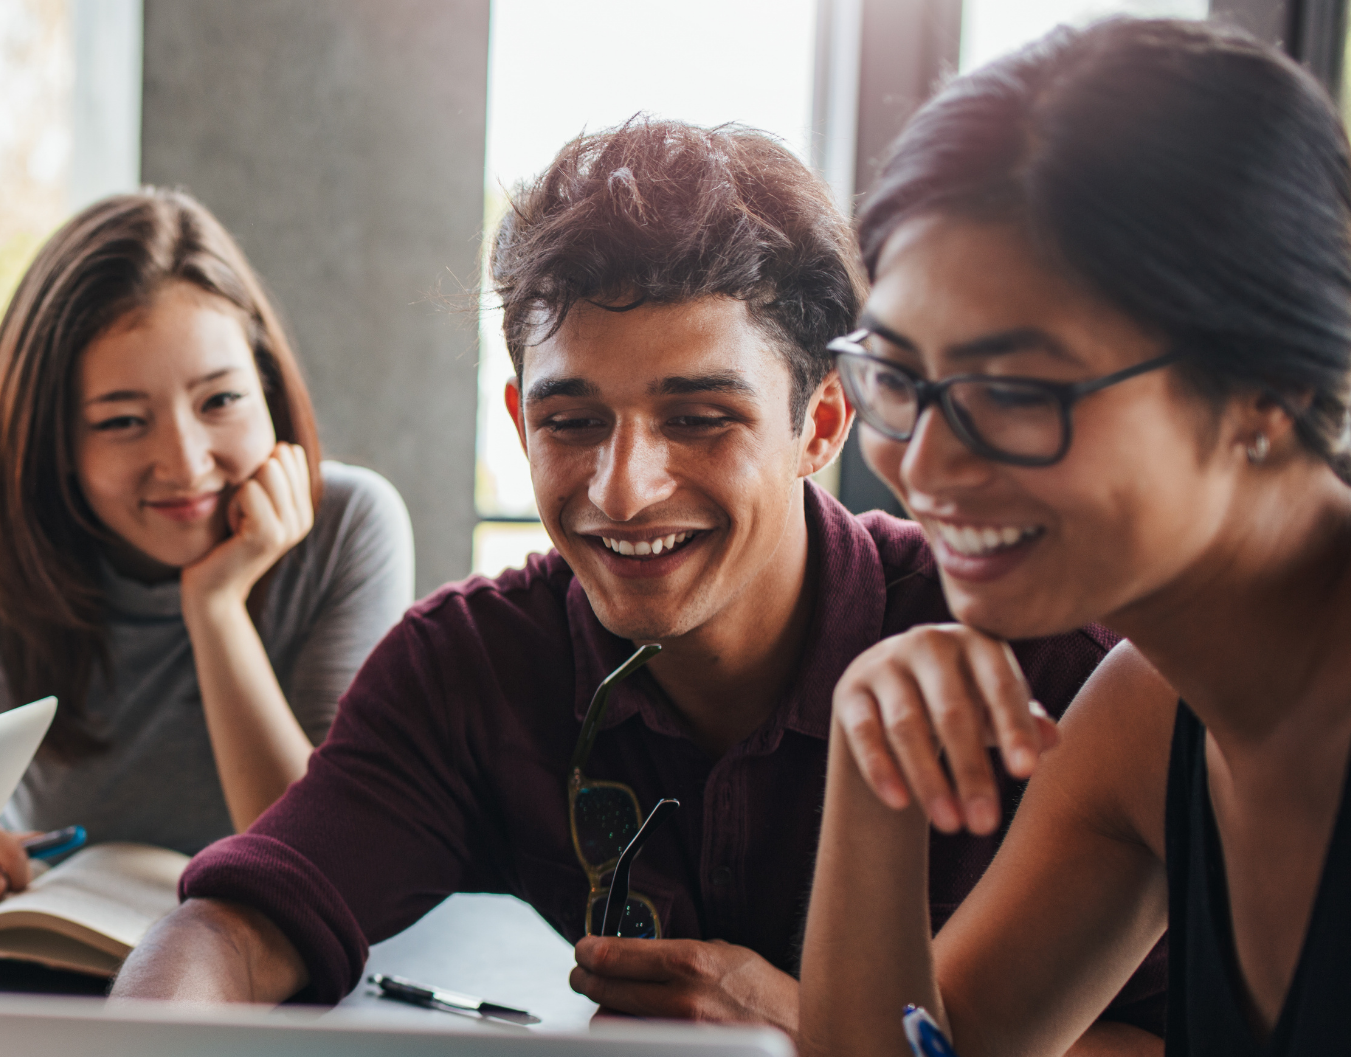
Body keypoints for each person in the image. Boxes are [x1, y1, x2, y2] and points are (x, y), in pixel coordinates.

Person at [110, 118, 1161, 1049]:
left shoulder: (1037, 660)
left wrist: (817, 1029)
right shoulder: (468, 662)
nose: (622, 488)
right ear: (520, 424)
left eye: (699, 418)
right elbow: (233, 930)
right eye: (571, 423)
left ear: (820, 424)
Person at [799, 18, 1351, 1056]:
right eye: (900, 380)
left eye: (1010, 391)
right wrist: (872, 786)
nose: (921, 465)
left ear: (1268, 387)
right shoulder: (1149, 715)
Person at [0, 189, 414, 907]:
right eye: (122, 420)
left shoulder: (348, 528)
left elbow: (315, 860)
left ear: (268, 389)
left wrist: (215, 606)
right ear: (57, 443)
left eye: (220, 401)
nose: (183, 463)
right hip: (59, 992)